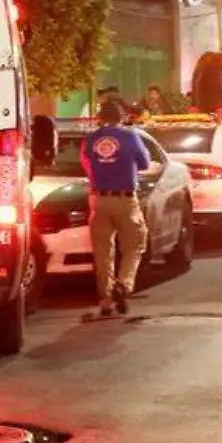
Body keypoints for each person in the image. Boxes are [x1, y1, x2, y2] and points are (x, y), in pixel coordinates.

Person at [82, 100, 151, 317]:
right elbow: (145, 164)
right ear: (122, 118)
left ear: (101, 118)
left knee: (103, 252)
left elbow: (85, 163)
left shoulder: (91, 139)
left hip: (98, 199)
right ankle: (123, 284)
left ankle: (106, 300)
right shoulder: (130, 136)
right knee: (135, 244)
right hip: (124, 199)